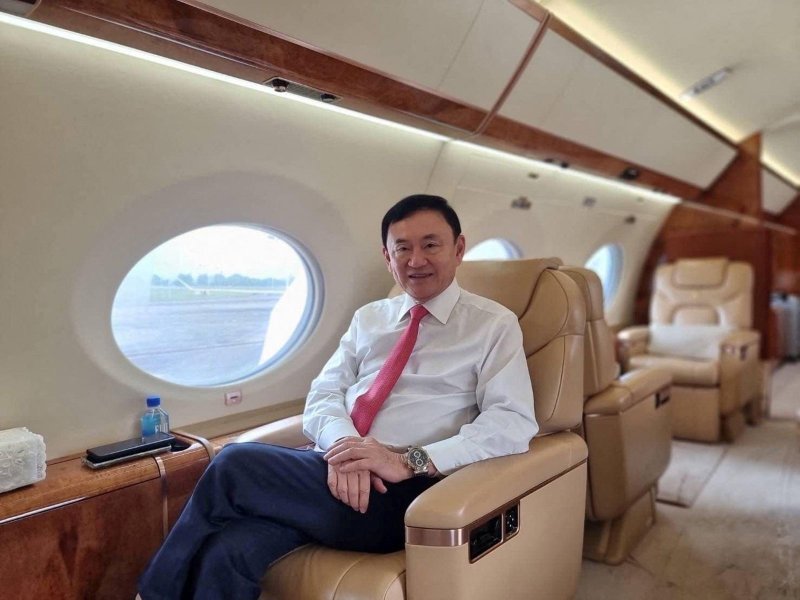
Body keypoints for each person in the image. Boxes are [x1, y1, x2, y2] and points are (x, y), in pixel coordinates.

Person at [138, 194, 538, 599]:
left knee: (233, 463)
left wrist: (406, 461)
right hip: (331, 469)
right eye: (402, 248)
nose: (416, 260)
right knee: (229, 551)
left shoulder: (493, 326)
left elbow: (512, 423)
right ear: (387, 257)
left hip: (405, 490)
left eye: (430, 245)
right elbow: (324, 393)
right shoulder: (370, 318)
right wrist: (346, 449)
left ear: (459, 248)